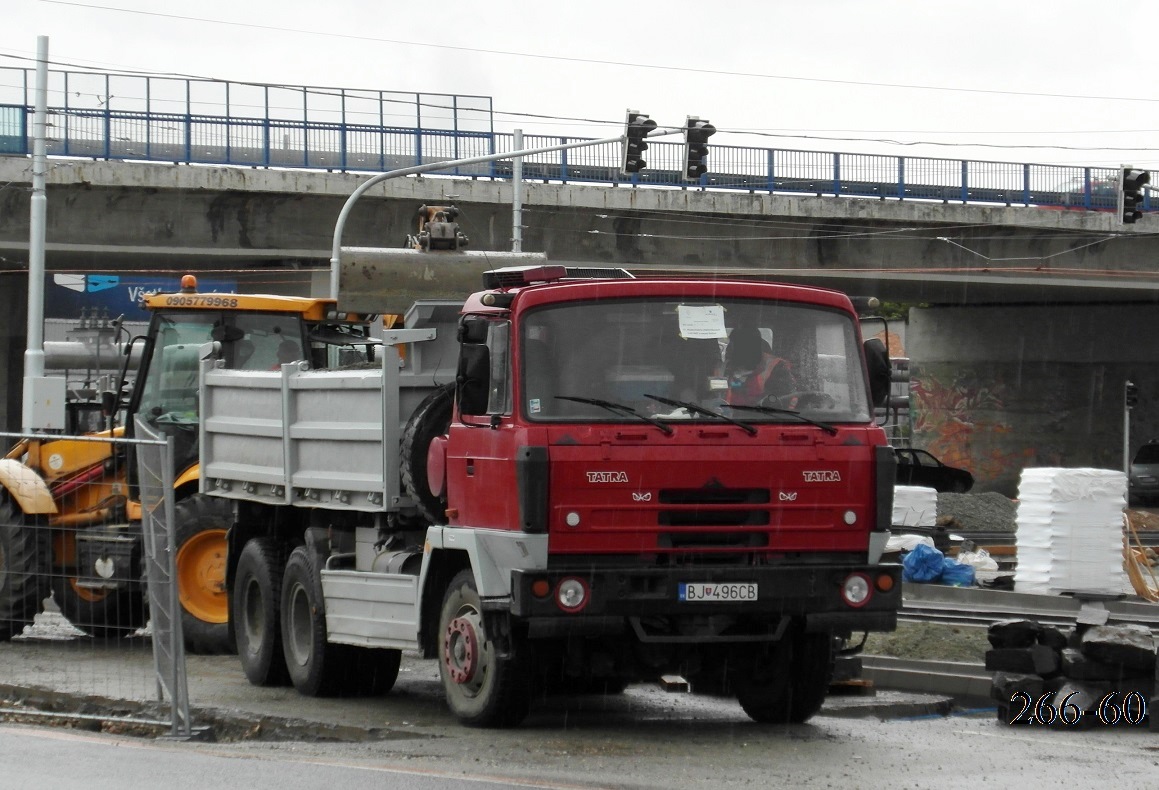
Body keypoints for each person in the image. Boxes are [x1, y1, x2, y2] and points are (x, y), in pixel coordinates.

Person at [720, 325, 796, 406]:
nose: (729, 351)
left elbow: (785, 403)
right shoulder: (725, 367)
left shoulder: (778, 368)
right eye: (732, 346)